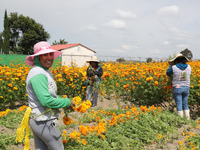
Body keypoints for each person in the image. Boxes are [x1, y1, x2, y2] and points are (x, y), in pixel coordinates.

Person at [25, 41, 75, 150]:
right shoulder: (38, 73)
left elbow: (50, 95)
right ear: (37, 57)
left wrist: (62, 99)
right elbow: (46, 100)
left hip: (40, 120)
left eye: (50, 54)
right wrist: (66, 102)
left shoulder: (44, 71)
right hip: (44, 121)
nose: (49, 57)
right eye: (45, 54)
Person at [166, 53, 191, 119]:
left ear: (176, 61)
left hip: (177, 88)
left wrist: (173, 66)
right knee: (185, 103)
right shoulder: (189, 67)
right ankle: (187, 119)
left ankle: (181, 119)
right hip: (186, 87)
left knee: (179, 103)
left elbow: (167, 73)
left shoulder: (173, 67)